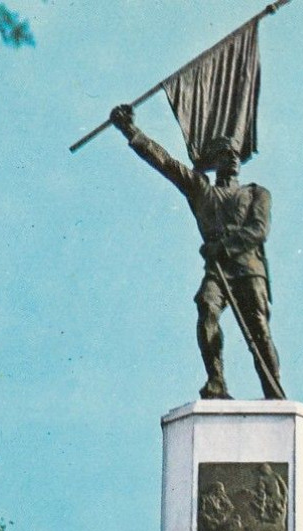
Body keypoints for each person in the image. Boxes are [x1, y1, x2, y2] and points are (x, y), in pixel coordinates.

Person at [109, 103, 285, 402]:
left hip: (247, 269)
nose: (231, 157)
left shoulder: (256, 193)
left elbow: (259, 229)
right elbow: (165, 162)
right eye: (224, 153)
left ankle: (273, 391)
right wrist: (130, 130)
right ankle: (216, 381)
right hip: (217, 271)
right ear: (214, 161)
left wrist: (223, 247)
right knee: (206, 307)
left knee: (259, 332)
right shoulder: (201, 190)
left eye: (234, 153)